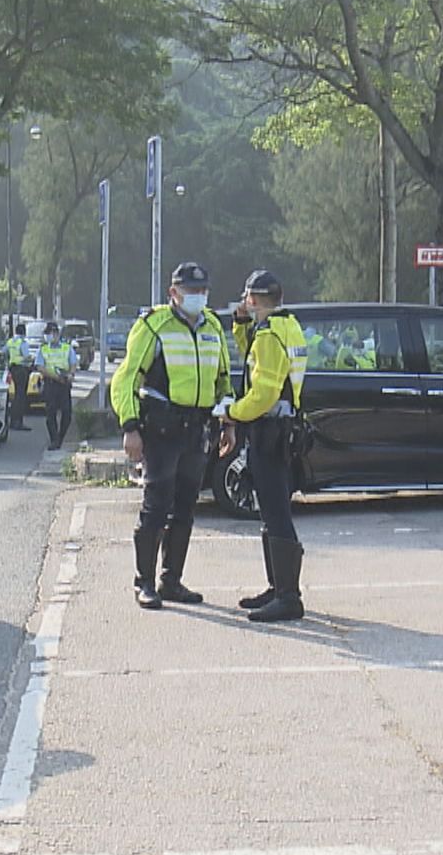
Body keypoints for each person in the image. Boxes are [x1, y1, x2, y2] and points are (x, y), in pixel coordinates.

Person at [110, 262, 231, 610]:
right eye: (191, 291)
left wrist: (229, 423)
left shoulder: (213, 326)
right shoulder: (154, 325)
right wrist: (130, 427)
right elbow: (126, 379)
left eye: (203, 290)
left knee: (185, 509)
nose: (198, 296)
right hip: (161, 431)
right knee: (156, 508)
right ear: (173, 293)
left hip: (198, 430)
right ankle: (144, 583)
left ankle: (171, 581)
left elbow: (223, 379)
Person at [225, 270, 309, 622]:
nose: (243, 302)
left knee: (275, 513)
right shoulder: (286, 326)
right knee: (273, 511)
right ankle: (277, 587)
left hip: (269, 432)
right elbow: (254, 359)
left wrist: (231, 412)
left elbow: (262, 393)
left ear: (254, 299)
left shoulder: (270, 336)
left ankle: (288, 597)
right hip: (282, 430)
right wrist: (242, 325)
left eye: (246, 297)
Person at [38, 322, 76, 449]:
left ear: (57, 333)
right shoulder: (43, 349)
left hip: (64, 384)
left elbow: (73, 363)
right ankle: (54, 440)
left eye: (52, 333)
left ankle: (60, 438)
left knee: (67, 413)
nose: (50, 336)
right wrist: (55, 377)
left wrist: (71, 374)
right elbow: (40, 367)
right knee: (50, 413)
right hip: (50, 384)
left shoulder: (67, 348)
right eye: (48, 333)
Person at [4, 323, 35, 431]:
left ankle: (13, 421)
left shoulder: (10, 342)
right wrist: (32, 359)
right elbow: (26, 357)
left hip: (13, 369)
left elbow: (4, 353)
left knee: (17, 395)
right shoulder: (22, 342)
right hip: (22, 370)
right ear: (24, 332)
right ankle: (18, 422)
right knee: (21, 397)